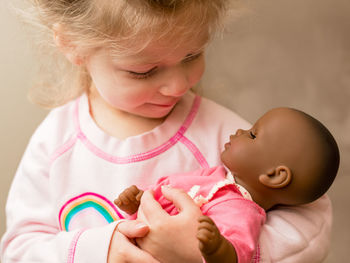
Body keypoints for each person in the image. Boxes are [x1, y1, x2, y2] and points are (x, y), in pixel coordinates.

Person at [0, 1, 334, 262]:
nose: (177, 86)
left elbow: (311, 218)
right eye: (143, 71)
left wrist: (218, 253)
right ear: (73, 45)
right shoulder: (55, 144)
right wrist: (98, 250)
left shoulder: (225, 135)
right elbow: (18, 250)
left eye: (192, 55)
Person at [115, 107, 340, 263]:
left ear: (273, 175)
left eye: (252, 134)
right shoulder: (213, 175)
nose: (240, 131)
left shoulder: (244, 212)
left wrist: (216, 247)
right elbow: (169, 191)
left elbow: (237, 253)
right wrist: (140, 201)